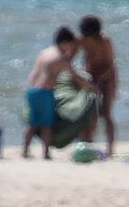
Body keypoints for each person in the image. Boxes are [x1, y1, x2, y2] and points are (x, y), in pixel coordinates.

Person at [22, 27, 84, 159]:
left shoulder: (44, 52)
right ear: (65, 43)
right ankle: (45, 153)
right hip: (45, 91)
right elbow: (75, 77)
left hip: (31, 90)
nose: (71, 48)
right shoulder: (61, 58)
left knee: (31, 124)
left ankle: (25, 151)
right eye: (70, 45)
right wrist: (90, 87)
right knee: (47, 124)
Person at [78, 16, 118, 158]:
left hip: (108, 78)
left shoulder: (105, 40)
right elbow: (69, 56)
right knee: (89, 114)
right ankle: (87, 144)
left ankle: (110, 148)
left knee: (106, 114)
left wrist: (101, 80)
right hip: (91, 77)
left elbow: (110, 64)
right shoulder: (82, 40)